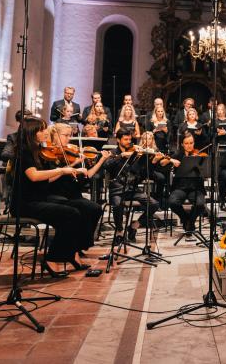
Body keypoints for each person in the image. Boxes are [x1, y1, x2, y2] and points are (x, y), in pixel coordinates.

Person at [12, 116, 91, 277]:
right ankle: (53, 258)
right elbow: (34, 176)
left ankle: (69, 253)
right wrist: (61, 170)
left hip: (38, 199)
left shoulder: (37, 151)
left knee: (77, 209)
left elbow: (46, 178)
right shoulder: (24, 152)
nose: (45, 132)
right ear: (32, 132)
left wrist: (68, 169)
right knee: (71, 214)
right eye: (41, 130)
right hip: (25, 203)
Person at [44, 123, 108, 253]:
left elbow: (88, 175)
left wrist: (100, 160)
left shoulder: (68, 152)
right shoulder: (50, 155)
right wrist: (74, 164)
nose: (69, 139)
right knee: (86, 209)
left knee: (95, 209)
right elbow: (49, 179)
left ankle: (80, 245)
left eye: (70, 135)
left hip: (72, 194)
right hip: (57, 195)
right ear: (55, 135)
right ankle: (73, 248)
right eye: (66, 135)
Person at [104, 130, 160, 244]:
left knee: (154, 204)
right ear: (118, 140)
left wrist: (149, 160)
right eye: (126, 139)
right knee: (117, 204)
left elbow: (143, 172)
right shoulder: (113, 152)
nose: (129, 142)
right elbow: (107, 166)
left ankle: (134, 226)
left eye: (130, 139)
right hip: (117, 189)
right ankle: (119, 231)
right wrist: (121, 156)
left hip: (131, 188)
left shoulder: (135, 153)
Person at [165, 133, 207, 233]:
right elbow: (163, 161)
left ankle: (189, 223)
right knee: (172, 202)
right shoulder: (177, 155)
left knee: (200, 205)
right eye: (186, 143)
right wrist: (171, 160)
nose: (189, 145)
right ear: (182, 144)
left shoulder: (199, 155)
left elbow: (206, 171)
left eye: (191, 143)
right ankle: (187, 221)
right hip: (180, 187)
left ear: (194, 143)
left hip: (196, 187)